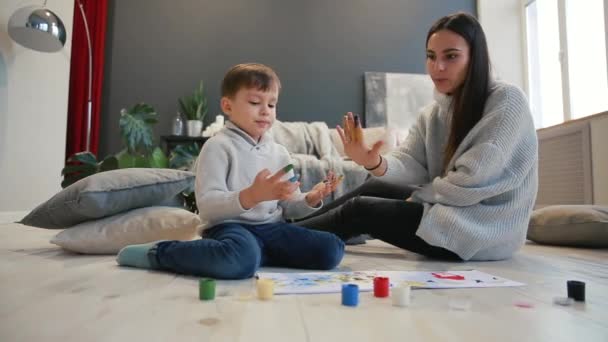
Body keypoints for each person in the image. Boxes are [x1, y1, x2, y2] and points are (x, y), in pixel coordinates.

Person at [297, 12, 538, 261]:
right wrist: (373, 162)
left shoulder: (507, 101)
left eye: (451, 56)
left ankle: (278, 237)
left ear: (475, 57)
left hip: (481, 231)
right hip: (451, 210)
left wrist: (418, 198)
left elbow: (471, 182)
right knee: (375, 187)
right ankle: (289, 226)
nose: (438, 67)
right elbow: (410, 162)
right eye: (431, 57)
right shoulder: (433, 113)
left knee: (359, 211)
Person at [117, 63, 344, 279]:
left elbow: (289, 206)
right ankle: (159, 253)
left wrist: (310, 198)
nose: (266, 111)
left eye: (272, 104)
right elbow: (207, 208)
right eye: (255, 102)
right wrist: (251, 196)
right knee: (238, 255)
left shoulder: (280, 153)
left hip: (272, 229)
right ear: (227, 106)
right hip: (229, 228)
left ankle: (254, 255)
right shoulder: (217, 147)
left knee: (331, 249)